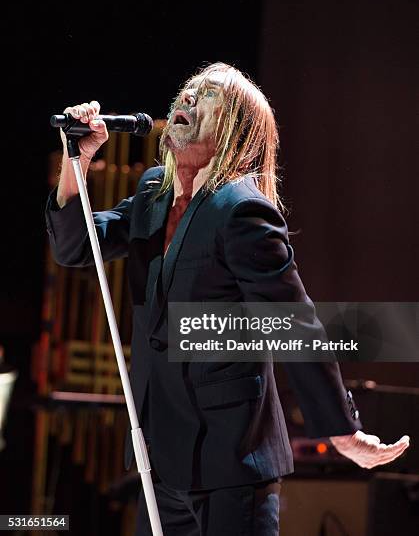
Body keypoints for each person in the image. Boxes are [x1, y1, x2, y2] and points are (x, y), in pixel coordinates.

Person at [45, 62, 410, 535]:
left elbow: (293, 324)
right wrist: (77, 160)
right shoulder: (154, 191)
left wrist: (340, 430)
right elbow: (77, 247)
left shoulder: (240, 210)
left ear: (236, 127)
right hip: (161, 457)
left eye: (208, 95)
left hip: (230, 461)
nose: (189, 99)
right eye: (189, 91)